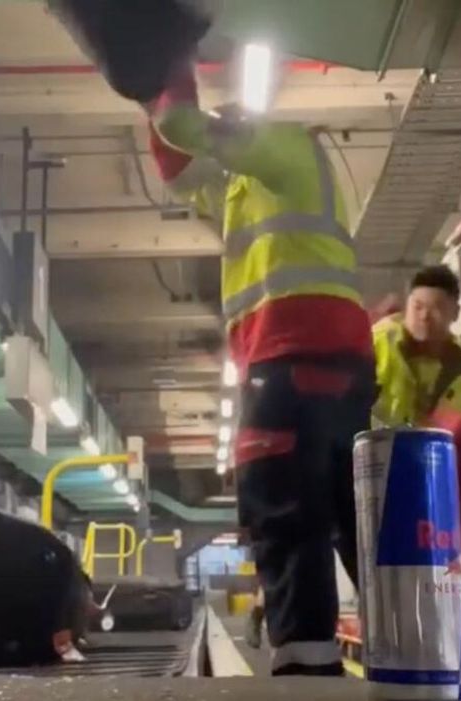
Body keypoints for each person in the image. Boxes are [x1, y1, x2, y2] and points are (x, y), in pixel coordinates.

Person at [144, 62, 373, 676]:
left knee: (288, 517)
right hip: (328, 364)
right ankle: (411, 658)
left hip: (291, 355)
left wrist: (155, 68)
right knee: (359, 520)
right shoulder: (241, 190)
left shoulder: (291, 147)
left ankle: (306, 680)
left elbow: (186, 127)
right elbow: (181, 168)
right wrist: (153, 106)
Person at [372, 265, 461, 428]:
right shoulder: (377, 343)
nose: (424, 316)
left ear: (456, 313)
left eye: (436, 308)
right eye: (418, 307)